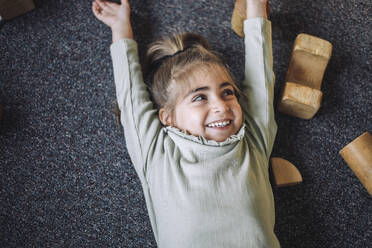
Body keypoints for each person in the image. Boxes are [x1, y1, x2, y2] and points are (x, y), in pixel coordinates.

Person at [92, 0, 279, 247]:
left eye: (227, 92)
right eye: (200, 97)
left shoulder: (252, 141)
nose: (221, 106)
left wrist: (256, 7)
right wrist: (120, 28)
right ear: (167, 117)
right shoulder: (157, 154)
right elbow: (131, 97)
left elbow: (260, 79)